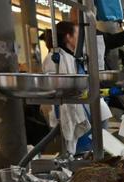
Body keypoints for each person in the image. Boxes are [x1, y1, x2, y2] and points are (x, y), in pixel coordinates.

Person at [42, 21, 112, 155]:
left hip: (90, 114)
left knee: (97, 153)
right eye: (78, 34)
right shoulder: (54, 59)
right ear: (69, 37)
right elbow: (60, 90)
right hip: (78, 116)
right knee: (85, 158)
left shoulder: (72, 57)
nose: (82, 39)